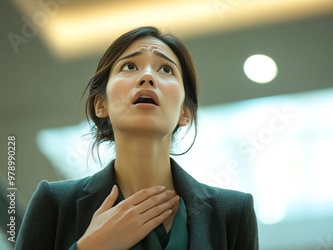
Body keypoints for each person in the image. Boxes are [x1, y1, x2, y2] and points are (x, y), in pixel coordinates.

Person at [16, 26, 259, 250]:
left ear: (185, 112)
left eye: (166, 69)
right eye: (130, 66)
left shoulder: (233, 213)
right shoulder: (55, 205)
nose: (147, 77)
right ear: (101, 104)